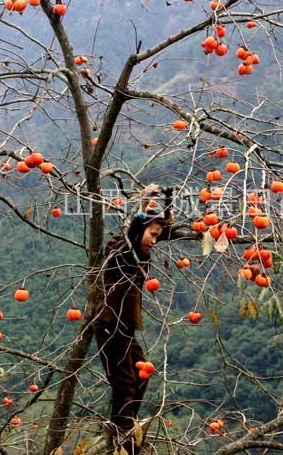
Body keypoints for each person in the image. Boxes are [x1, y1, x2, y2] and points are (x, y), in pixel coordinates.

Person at [94, 184, 173, 455]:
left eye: (157, 236)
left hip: (124, 328)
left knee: (142, 375)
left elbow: (158, 228)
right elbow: (132, 232)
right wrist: (142, 204)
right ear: (139, 230)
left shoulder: (140, 252)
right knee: (125, 383)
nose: (154, 240)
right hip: (109, 323)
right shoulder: (122, 250)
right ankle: (124, 442)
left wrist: (168, 200)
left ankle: (124, 428)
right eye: (152, 234)